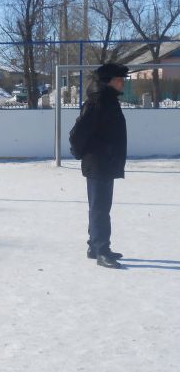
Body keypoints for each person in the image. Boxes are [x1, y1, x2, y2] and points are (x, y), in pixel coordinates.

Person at [69, 62, 129, 269]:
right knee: (100, 209)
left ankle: (94, 247)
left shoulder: (108, 100)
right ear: (109, 81)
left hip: (106, 161)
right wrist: (80, 153)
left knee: (101, 207)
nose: (122, 83)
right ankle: (101, 250)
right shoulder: (98, 102)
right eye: (120, 79)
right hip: (99, 162)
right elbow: (77, 133)